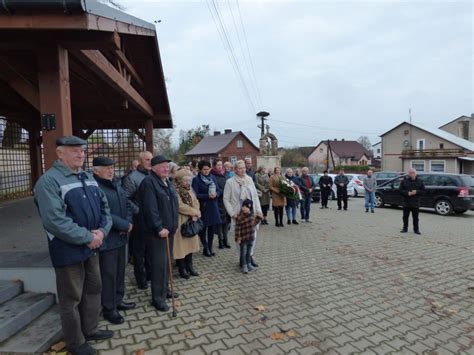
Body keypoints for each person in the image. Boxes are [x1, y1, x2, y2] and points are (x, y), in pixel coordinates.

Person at [34, 136, 113, 355]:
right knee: (71, 298)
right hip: (68, 250)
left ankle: (90, 329)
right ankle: (76, 343)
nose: (81, 154)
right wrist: (88, 237)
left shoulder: (88, 177)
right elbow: (55, 221)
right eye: (74, 151)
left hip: (92, 246)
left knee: (93, 289)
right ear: (60, 154)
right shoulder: (49, 181)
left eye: (82, 151)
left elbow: (105, 209)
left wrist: (102, 232)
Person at [92, 157, 135, 325]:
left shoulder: (116, 184)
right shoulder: (96, 187)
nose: (111, 170)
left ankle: (118, 300)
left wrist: (129, 222)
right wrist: (124, 224)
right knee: (109, 274)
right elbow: (103, 213)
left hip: (122, 236)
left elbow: (127, 205)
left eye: (112, 167)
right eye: (106, 168)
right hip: (108, 238)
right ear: (96, 170)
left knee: (119, 272)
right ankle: (109, 308)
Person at [138, 155, 179, 312]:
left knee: (167, 263)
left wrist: (173, 224)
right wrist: (159, 227)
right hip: (157, 233)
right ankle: (158, 298)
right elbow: (150, 209)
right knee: (158, 266)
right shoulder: (149, 183)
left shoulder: (166, 181)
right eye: (162, 166)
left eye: (167, 166)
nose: (166, 168)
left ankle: (165, 290)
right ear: (153, 168)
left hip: (169, 230)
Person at [122, 151, 153, 289]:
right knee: (139, 252)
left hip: (152, 220)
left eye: (152, 159)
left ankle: (151, 275)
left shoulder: (153, 175)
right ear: (140, 161)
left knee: (151, 251)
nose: (150, 162)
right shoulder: (132, 178)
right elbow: (126, 199)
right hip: (139, 221)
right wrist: (139, 211)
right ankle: (141, 280)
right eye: (147, 159)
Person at [223, 160, 263, 267]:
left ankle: (250, 256)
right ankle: (242, 259)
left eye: (244, 168)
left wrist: (259, 210)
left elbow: (254, 196)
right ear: (235, 169)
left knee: (252, 235)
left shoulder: (249, 179)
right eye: (240, 168)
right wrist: (232, 213)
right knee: (240, 237)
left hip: (251, 213)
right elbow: (226, 199)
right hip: (238, 214)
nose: (243, 170)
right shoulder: (230, 182)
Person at [173, 169, 201, 279]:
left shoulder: (189, 190)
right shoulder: (176, 191)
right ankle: (182, 269)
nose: (188, 183)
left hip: (191, 221)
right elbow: (179, 206)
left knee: (190, 246)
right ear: (180, 181)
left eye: (189, 180)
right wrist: (194, 212)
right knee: (181, 247)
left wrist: (197, 211)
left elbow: (196, 201)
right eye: (185, 181)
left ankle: (190, 267)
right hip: (182, 221)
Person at [192, 160, 222, 257]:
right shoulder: (196, 180)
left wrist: (216, 194)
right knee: (203, 229)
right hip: (203, 207)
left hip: (213, 206)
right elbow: (195, 194)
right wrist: (208, 196)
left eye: (208, 169)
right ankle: (205, 247)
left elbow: (218, 190)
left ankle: (210, 246)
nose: (206, 171)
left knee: (212, 228)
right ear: (200, 170)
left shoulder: (212, 177)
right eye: (204, 169)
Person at [235, 199, 262, 274]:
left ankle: (249, 264)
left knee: (248, 253)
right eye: (244, 206)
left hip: (251, 238)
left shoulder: (252, 215)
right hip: (243, 239)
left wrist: (259, 218)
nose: (245, 208)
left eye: (248, 207)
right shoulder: (240, 217)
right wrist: (238, 238)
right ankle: (244, 266)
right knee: (243, 253)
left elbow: (254, 224)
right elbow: (237, 228)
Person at [211, 159, 231, 249]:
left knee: (226, 222)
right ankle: (221, 241)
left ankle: (226, 240)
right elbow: (215, 189)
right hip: (218, 202)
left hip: (226, 202)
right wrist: (224, 192)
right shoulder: (212, 176)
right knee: (220, 222)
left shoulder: (224, 175)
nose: (220, 166)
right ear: (214, 166)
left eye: (221, 165)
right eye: (218, 165)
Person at [399, 168, 425, 235]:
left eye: (413, 172)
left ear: (415, 173)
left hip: (416, 202)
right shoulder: (404, 181)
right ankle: (405, 228)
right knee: (405, 217)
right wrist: (407, 193)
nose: (411, 174)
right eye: (410, 173)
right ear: (408, 174)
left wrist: (416, 192)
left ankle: (416, 230)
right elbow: (400, 191)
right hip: (406, 202)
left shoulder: (420, 181)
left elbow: (424, 191)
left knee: (416, 217)